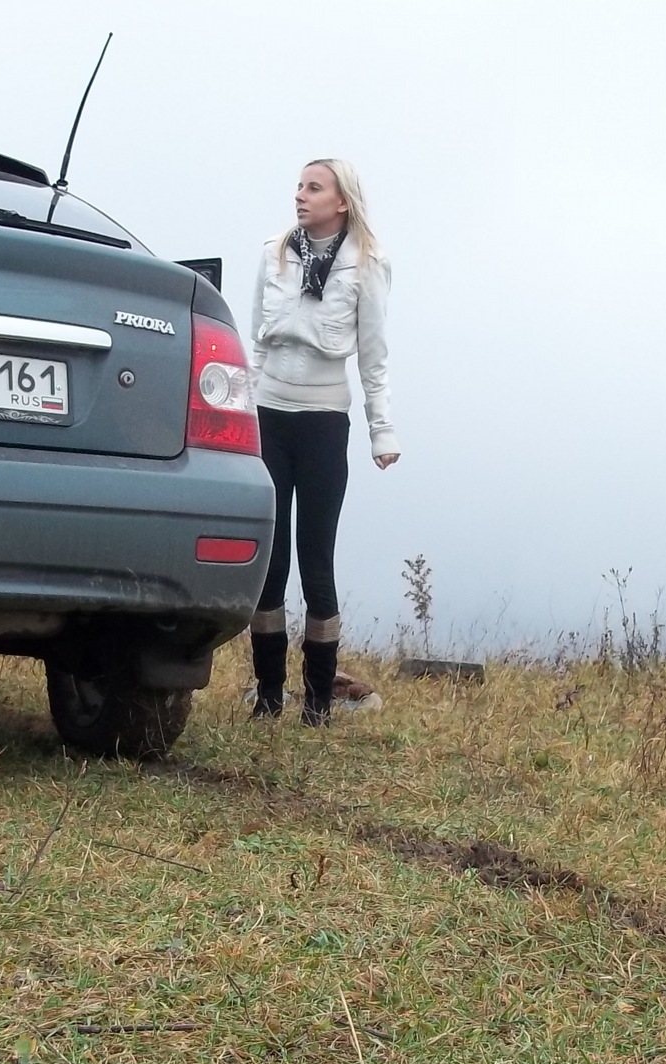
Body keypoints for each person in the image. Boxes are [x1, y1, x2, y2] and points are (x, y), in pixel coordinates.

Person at [246, 158, 399, 725]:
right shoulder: (274, 251)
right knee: (269, 560)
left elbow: (375, 355)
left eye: (314, 188)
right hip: (268, 413)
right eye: (299, 186)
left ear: (342, 201)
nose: (300, 196)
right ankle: (266, 696)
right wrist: (239, 409)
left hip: (324, 420)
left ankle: (316, 703)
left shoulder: (367, 265)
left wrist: (382, 430)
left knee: (317, 558)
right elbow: (255, 343)